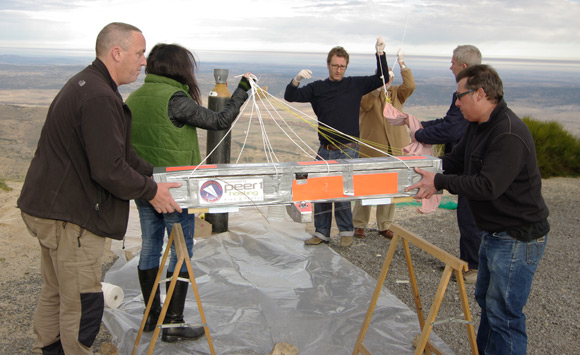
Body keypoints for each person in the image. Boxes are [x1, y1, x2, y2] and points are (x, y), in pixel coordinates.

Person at [17, 23, 182, 354]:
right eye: (139, 53)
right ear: (116, 52)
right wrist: (152, 192)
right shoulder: (98, 96)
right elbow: (109, 169)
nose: (144, 61)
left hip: (50, 209)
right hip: (72, 216)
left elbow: (121, 154)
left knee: (56, 290)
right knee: (83, 301)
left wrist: (154, 176)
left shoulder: (91, 85)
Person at [406, 64, 549, 355]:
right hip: (494, 233)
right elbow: (456, 161)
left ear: (480, 94)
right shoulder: (478, 125)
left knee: (504, 315)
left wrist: (440, 181)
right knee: (488, 303)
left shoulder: (508, 133)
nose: (456, 102)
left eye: (460, 96)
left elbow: (488, 186)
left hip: (517, 236)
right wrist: (416, 170)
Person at [125, 43, 254, 342]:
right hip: (175, 191)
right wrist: (243, 88)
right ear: (178, 68)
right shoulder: (175, 98)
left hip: (145, 186)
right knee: (181, 252)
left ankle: (151, 317)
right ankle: (173, 323)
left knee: (150, 246)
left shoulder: (135, 97)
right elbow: (219, 121)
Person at [284, 38, 389, 248]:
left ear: (346, 67)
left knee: (342, 192)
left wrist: (380, 54)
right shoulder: (317, 88)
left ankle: (346, 231)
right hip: (325, 149)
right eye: (335, 65)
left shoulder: (354, 84)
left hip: (348, 148)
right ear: (328, 65)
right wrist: (296, 79)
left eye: (342, 66)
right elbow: (290, 96)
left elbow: (383, 77)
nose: (338, 70)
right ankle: (321, 232)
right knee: (320, 190)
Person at [412, 45, 483, 283]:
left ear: (464, 66)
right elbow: (449, 121)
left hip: (469, 163)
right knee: (468, 214)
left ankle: (473, 267)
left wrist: (419, 136)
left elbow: (453, 128)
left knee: (470, 215)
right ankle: (472, 262)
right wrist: (421, 125)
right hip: (463, 159)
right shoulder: (467, 92)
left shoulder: (469, 91)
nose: (449, 66)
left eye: (452, 62)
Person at [352, 49, 414, 240]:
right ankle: (359, 225)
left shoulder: (396, 93)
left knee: (390, 187)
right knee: (366, 186)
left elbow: (410, 85)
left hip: (394, 147)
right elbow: (365, 105)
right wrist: (378, 88)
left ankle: (384, 225)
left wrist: (402, 64)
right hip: (372, 149)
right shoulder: (367, 93)